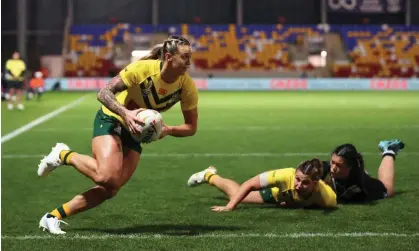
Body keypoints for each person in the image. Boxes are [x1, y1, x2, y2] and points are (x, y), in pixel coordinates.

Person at [37, 35, 198, 234]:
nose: (189, 62)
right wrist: (126, 113)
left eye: (190, 57)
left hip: (136, 132)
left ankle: (52, 217)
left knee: (111, 189)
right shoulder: (142, 69)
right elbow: (104, 93)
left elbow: (191, 127)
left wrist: (168, 130)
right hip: (112, 118)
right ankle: (64, 155)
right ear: (168, 57)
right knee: (106, 176)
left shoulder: (187, 86)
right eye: (185, 57)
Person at [187, 158, 337, 212]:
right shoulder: (285, 175)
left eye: (305, 183)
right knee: (237, 195)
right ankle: (209, 175)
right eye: (297, 179)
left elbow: (315, 203)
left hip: (286, 198)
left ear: (316, 183)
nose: (298, 184)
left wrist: (294, 203)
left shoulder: (328, 198)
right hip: (278, 193)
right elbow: (250, 184)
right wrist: (229, 207)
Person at [321, 139, 405, 202]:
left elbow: (338, 201)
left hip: (371, 186)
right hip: (353, 173)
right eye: (332, 162)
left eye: (339, 165)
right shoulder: (325, 168)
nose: (333, 168)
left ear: (349, 167)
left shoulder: (358, 188)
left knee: (388, 190)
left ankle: (389, 150)